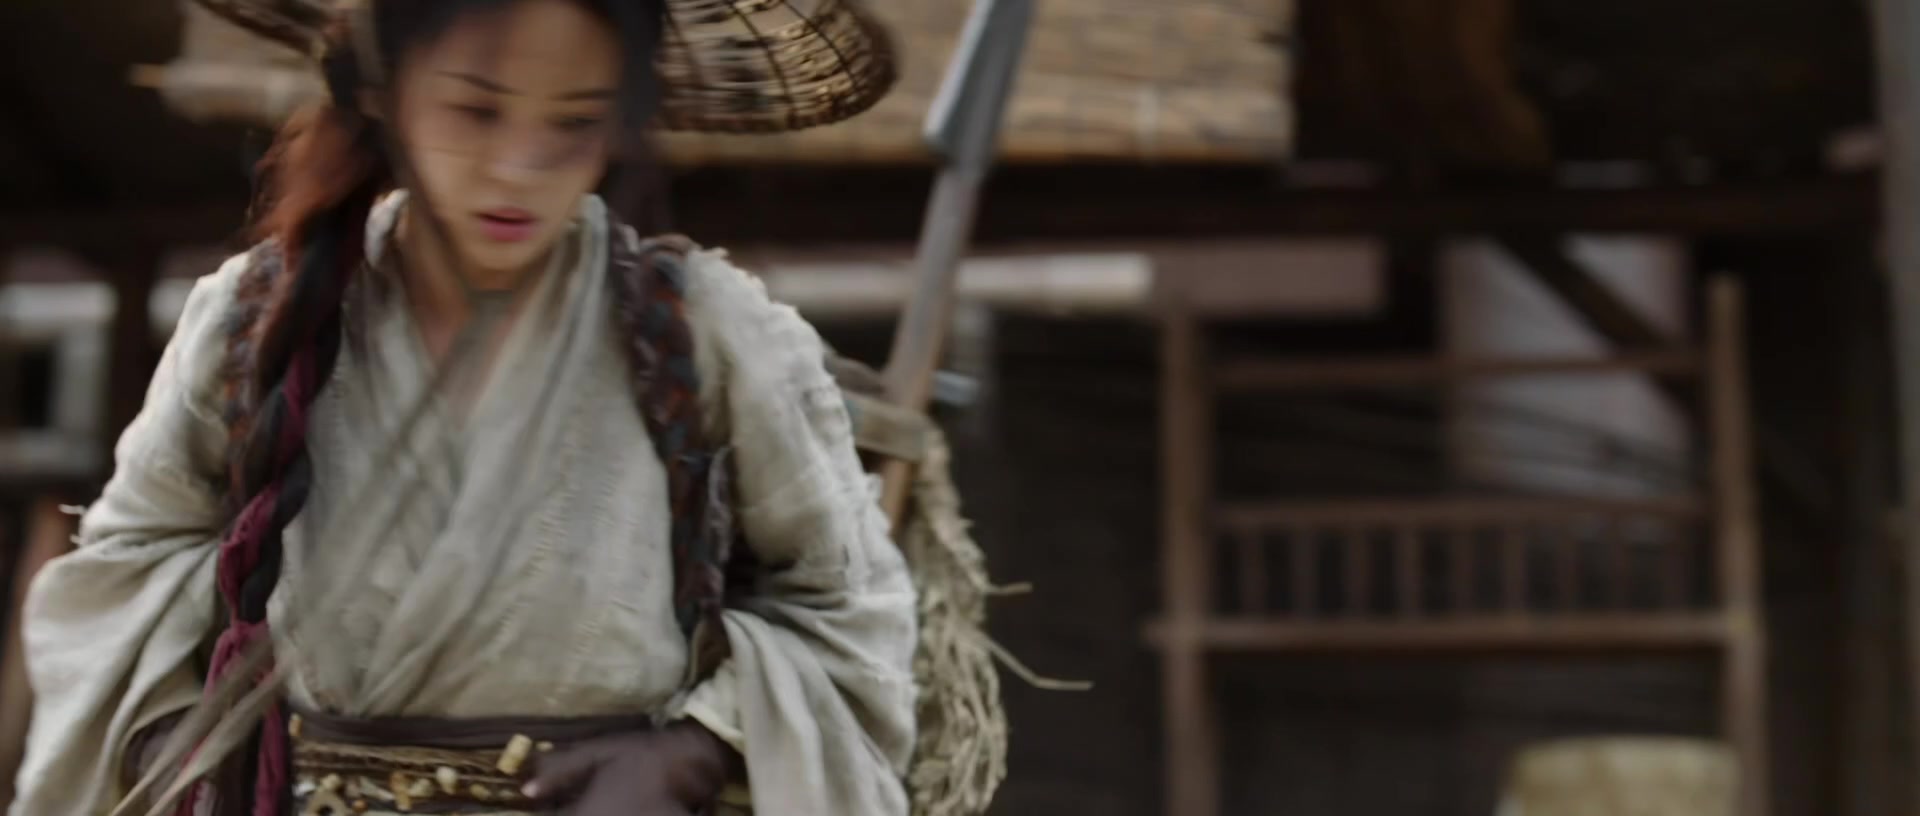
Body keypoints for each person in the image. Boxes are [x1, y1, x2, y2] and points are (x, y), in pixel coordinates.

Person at [10, 0, 918, 814]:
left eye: (575, 121)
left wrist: (693, 752)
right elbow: (125, 561)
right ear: (382, 91)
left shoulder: (708, 330)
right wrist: (178, 746)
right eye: (477, 111)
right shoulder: (254, 317)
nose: (521, 166)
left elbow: (847, 601)